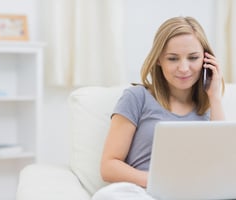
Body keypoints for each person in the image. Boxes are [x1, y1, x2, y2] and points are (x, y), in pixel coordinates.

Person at [91, 16, 225, 200]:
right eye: (173, 58)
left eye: (193, 58)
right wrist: (160, 181)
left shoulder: (210, 107)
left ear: (206, 59)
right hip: (143, 192)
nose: (184, 68)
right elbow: (109, 166)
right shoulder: (137, 97)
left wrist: (215, 97)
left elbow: (220, 168)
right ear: (159, 59)